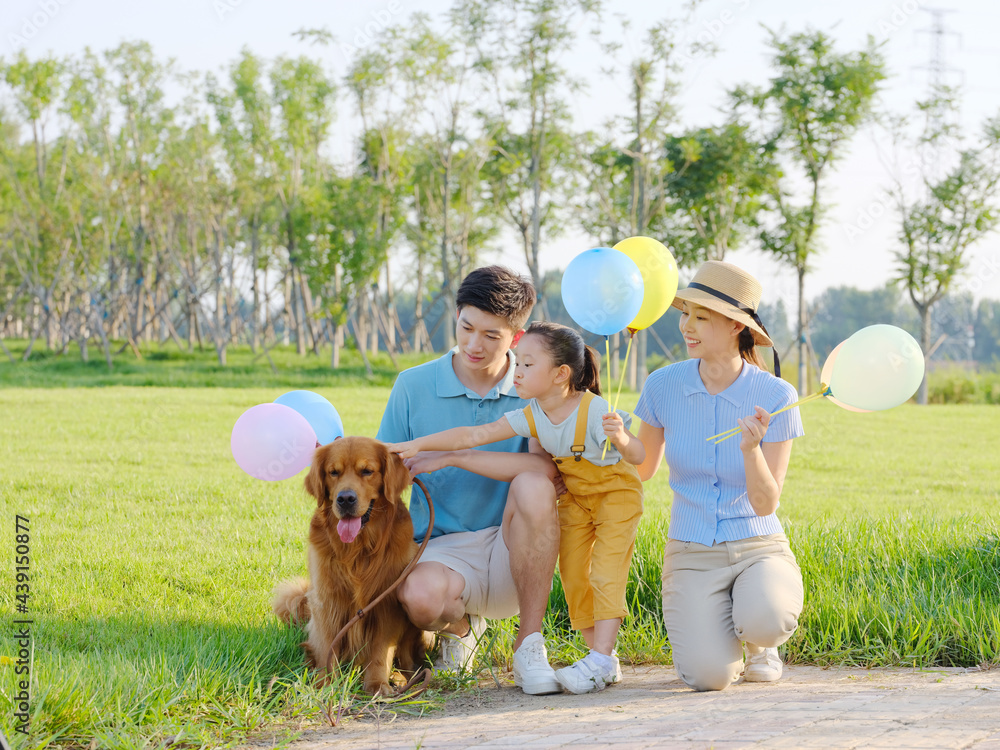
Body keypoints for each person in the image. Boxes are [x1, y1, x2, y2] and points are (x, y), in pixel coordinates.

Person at [389, 321, 646, 695]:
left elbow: (638, 456)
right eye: (519, 364)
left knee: (605, 572)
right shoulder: (534, 414)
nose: (518, 371)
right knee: (576, 577)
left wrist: (621, 437)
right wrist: (422, 447)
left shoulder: (594, 410)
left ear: (560, 375)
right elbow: (474, 436)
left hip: (615, 498)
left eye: (527, 365)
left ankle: (599, 657)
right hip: (577, 502)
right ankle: (600, 655)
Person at [376, 266, 564, 695]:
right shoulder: (412, 385)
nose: (474, 345)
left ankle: (529, 644)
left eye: (492, 336)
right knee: (421, 600)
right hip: (439, 550)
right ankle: (461, 630)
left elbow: (544, 472)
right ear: (457, 314)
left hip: (511, 545)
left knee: (534, 486)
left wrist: (453, 456)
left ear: (516, 338)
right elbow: (385, 470)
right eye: (466, 328)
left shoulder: (534, 385)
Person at [633, 260, 805, 692]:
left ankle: (761, 643)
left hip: (757, 544)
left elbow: (766, 503)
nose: (686, 327)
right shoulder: (661, 385)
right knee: (708, 677)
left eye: (701, 318)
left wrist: (750, 452)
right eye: (685, 314)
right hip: (690, 550)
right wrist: (607, 440)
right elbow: (643, 469)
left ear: (734, 326)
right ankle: (722, 629)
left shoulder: (775, 395)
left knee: (766, 620)